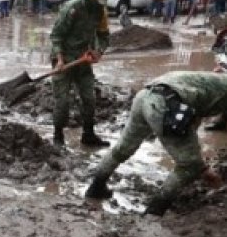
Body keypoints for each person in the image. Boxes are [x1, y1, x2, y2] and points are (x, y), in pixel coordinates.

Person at [84, 71, 227, 215]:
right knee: (189, 167)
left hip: (145, 96)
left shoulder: (213, 80)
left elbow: (195, 114)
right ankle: (154, 212)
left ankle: (96, 188)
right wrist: (196, 163)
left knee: (123, 148)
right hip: (165, 105)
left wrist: (188, 147)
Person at [49, 0, 115, 148]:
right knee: (62, 101)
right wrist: (60, 59)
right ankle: (58, 137)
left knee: (89, 99)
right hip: (63, 58)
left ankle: (88, 135)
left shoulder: (100, 11)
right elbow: (56, 36)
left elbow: (104, 36)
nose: (104, 1)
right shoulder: (72, 8)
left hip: (83, 59)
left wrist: (98, 52)